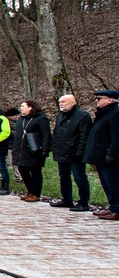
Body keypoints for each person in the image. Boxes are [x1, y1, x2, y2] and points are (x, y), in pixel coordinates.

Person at [50, 95, 93, 212]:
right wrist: (53, 147)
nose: (61, 104)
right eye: (60, 102)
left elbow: (84, 137)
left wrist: (80, 153)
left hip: (75, 154)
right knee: (63, 177)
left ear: (73, 102)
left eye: (63, 101)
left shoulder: (83, 116)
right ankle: (66, 199)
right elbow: (56, 133)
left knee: (79, 177)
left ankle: (83, 202)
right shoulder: (60, 116)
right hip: (61, 152)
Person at [84, 90, 119, 220]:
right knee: (107, 184)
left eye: (99, 98)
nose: (96, 101)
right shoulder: (103, 114)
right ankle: (112, 206)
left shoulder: (115, 114)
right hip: (99, 156)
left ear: (110, 100)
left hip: (109, 157)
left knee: (114, 183)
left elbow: (116, 137)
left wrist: (112, 154)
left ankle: (117, 209)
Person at [11, 100, 52, 203]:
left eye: (23, 106)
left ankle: (36, 193)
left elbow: (46, 134)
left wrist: (45, 149)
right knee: (22, 170)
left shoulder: (40, 119)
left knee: (35, 172)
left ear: (30, 107)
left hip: (34, 150)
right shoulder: (21, 120)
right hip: (20, 150)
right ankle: (30, 191)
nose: (21, 108)